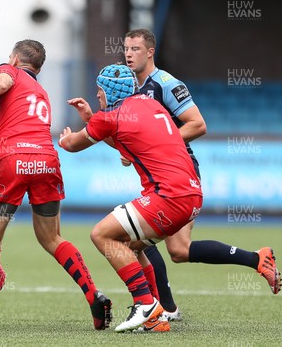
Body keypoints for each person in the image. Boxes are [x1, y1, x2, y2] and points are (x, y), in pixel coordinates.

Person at [0, 39, 112, 330]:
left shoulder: (9, 71)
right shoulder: (40, 92)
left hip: (11, 162)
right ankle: (92, 293)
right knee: (53, 238)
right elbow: (11, 131)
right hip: (46, 160)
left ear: (16, 59)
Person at [123, 29, 281, 319]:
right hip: (161, 174)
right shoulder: (134, 89)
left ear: (150, 52)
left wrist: (156, 147)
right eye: (126, 48)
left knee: (131, 240)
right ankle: (257, 259)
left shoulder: (166, 84)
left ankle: (162, 308)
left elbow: (198, 124)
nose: (129, 53)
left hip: (178, 174)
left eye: (135, 48)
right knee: (178, 250)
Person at [59, 63, 204, 332]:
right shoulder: (152, 106)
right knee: (131, 245)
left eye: (99, 91)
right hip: (192, 194)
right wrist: (93, 118)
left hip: (169, 197)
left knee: (101, 234)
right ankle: (156, 313)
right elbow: (124, 137)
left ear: (109, 91)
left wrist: (65, 137)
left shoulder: (110, 116)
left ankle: (145, 305)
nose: (98, 96)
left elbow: (72, 145)